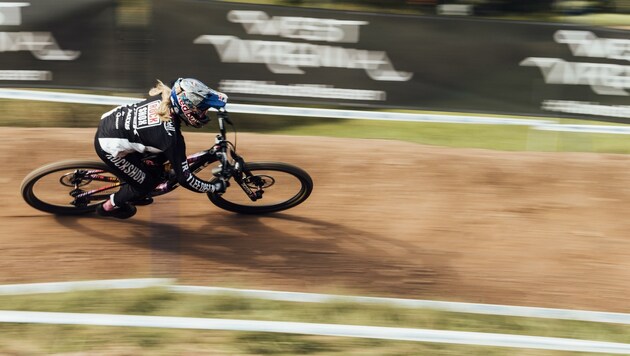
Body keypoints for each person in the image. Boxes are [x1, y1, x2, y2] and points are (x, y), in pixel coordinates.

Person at [94, 78, 229, 219]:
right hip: (108, 145)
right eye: (201, 110)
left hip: (111, 124)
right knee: (146, 185)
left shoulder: (167, 97)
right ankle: (107, 207)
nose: (203, 114)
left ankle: (139, 175)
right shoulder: (171, 139)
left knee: (159, 158)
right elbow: (186, 179)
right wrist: (213, 187)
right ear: (187, 108)